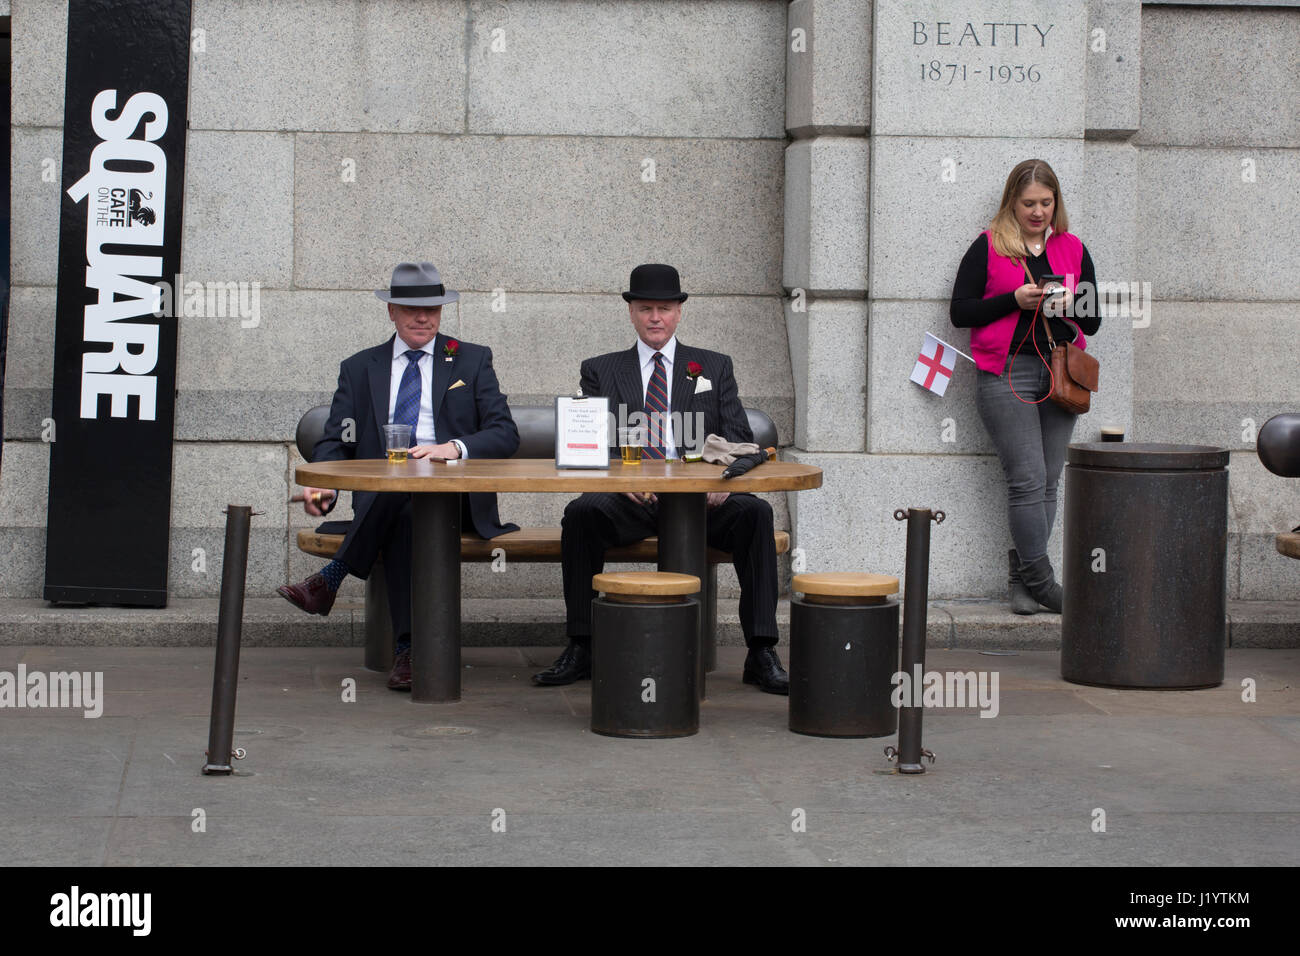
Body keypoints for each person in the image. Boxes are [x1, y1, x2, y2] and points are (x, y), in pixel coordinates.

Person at [533, 263, 788, 693]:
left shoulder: (713, 366)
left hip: (699, 502)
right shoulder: (600, 369)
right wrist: (618, 478)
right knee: (580, 513)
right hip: (632, 499)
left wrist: (715, 482)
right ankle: (583, 644)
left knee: (756, 514)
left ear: (678, 313)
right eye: (646, 308)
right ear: (631, 313)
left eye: (665, 309)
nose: (655, 317)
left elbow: (739, 440)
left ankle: (761, 651)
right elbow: (592, 441)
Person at [278, 262, 519, 689]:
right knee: (404, 507)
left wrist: (453, 448)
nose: (423, 317)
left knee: (408, 493)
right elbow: (336, 439)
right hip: (388, 501)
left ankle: (330, 580)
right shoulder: (359, 367)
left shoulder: (472, 359)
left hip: (454, 501)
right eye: (411, 308)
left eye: (432, 309)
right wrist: (324, 482)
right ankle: (408, 651)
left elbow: (505, 434)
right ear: (391, 311)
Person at [950, 159, 1101, 614]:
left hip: (1059, 372)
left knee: (1050, 480)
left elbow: (1093, 319)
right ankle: (1045, 582)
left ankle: (1023, 582)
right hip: (1006, 373)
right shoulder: (989, 247)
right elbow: (961, 312)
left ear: (1057, 203)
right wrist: (1012, 301)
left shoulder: (1073, 248)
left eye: (1046, 203)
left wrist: (1071, 302)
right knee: (1027, 479)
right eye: (1029, 203)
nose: (1038, 212)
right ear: (1012, 203)